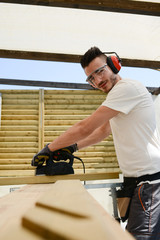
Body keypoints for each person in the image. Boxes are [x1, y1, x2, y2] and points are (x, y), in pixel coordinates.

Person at [32, 46, 160, 240]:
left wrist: (50, 148)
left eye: (100, 71)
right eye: (91, 78)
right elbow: (102, 131)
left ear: (113, 65)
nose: (98, 80)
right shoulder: (118, 97)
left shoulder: (126, 88)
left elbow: (86, 127)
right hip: (139, 182)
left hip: (149, 181)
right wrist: (72, 147)